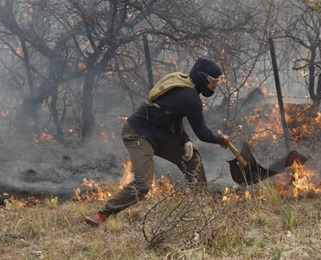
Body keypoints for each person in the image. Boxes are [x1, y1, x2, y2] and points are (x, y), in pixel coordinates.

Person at [85, 57, 229, 226]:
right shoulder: (191, 97)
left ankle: (201, 208)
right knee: (143, 184)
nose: (215, 86)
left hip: (159, 133)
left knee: (192, 159)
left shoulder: (184, 85)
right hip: (138, 134)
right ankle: (102, 214)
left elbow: (175, 115)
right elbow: (203, 133)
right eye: (213, 81)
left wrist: (185, 139)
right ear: (202, 78)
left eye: (217, 81)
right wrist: (221, 139)